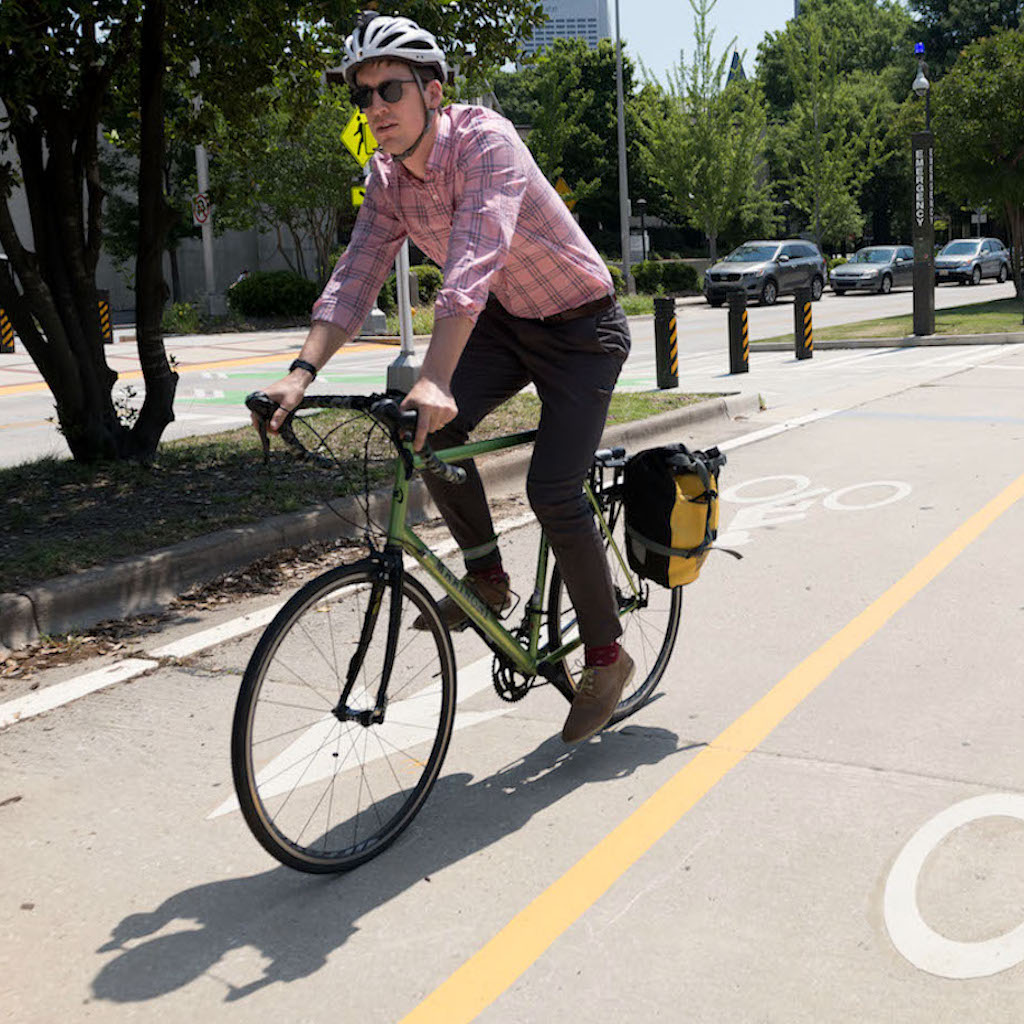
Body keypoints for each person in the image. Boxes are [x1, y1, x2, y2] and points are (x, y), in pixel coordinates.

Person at [255, 11, 633, 744]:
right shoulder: (387, 176)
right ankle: (487, 576)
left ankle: (607, 655)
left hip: (583, 328)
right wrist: (299, 374)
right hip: (505, 323)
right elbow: (358, 272)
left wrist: (436, 374)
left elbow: (473, 260)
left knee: (552, 489)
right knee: (422, 426)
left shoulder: (485, 141)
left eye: (388, 91)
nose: (374, 110)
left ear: (432, 90)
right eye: (361, 97)